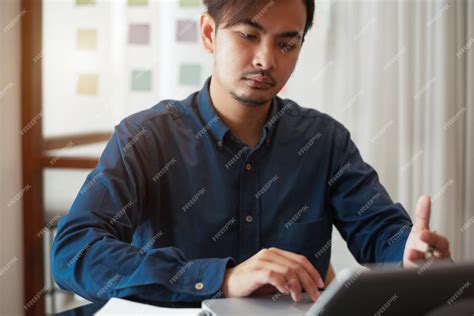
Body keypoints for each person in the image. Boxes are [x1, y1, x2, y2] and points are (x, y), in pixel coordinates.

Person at [51, 0, 451, 304]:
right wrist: (220, 279)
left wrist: (409, 255)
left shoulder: (324, 140)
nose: (266, 60)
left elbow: (379, 232)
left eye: (287, 43)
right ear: (209, 33)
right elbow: (74, 252)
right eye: (247, 35)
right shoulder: (145, 137)